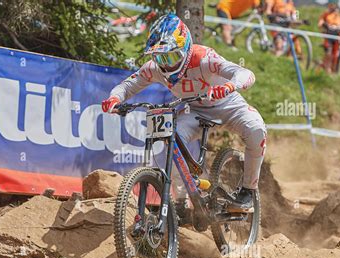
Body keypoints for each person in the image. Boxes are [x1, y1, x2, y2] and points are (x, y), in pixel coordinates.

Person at [101, 14, 267, 221]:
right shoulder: (155, 69)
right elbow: (127, 85)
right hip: (194, 111)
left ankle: (248, 192)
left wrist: (229, 86)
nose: (166, 65)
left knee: (256, 131)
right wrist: (114, 98)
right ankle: (180, 201)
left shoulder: (205, 58)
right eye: (160, 58)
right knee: (173, 141)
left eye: (170, 57)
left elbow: (246, 73)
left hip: (228, 105)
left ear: (186, 49)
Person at [318, 0, 340, 73]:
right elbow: (320, 24)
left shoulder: (339, 16)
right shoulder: (325, 14)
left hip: (337, 37)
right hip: (328, 37)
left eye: (334, 4)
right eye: (331, 4)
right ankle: (327, 70)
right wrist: (324, 26)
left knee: (336, 55)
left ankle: (333, 70)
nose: (332, 6)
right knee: (328, 54)